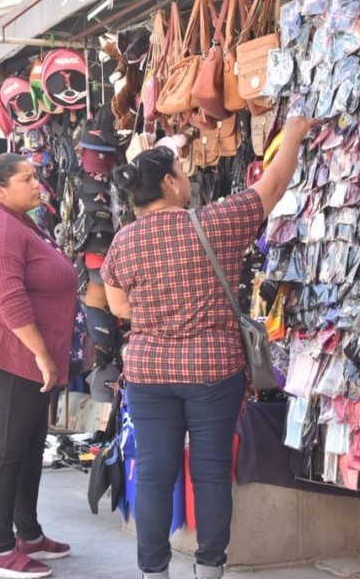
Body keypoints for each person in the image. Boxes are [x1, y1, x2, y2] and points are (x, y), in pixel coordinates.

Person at [101, 116, 315, 579]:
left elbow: (119, 307)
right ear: (169, 183)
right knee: (211, 472)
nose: (188, 182)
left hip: (149, 373)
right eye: (183, 174)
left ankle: (153, 570)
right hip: (212, 371)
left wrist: (161, 317)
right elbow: (274, 186)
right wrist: (294, 135)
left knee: (156, 474)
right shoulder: (216, 222)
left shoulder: (123, 242)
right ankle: (210, 568)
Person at [0, 153, 77, 579]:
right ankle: (1, 551)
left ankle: (28, 534)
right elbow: (9, 298)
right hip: (9, 354)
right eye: (27, 178)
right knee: (10, 450)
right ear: (0, 189)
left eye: (36, 175)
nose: (37, 183)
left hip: (23, 354)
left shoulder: (16, 220)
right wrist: (42, 354)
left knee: (27, 445)